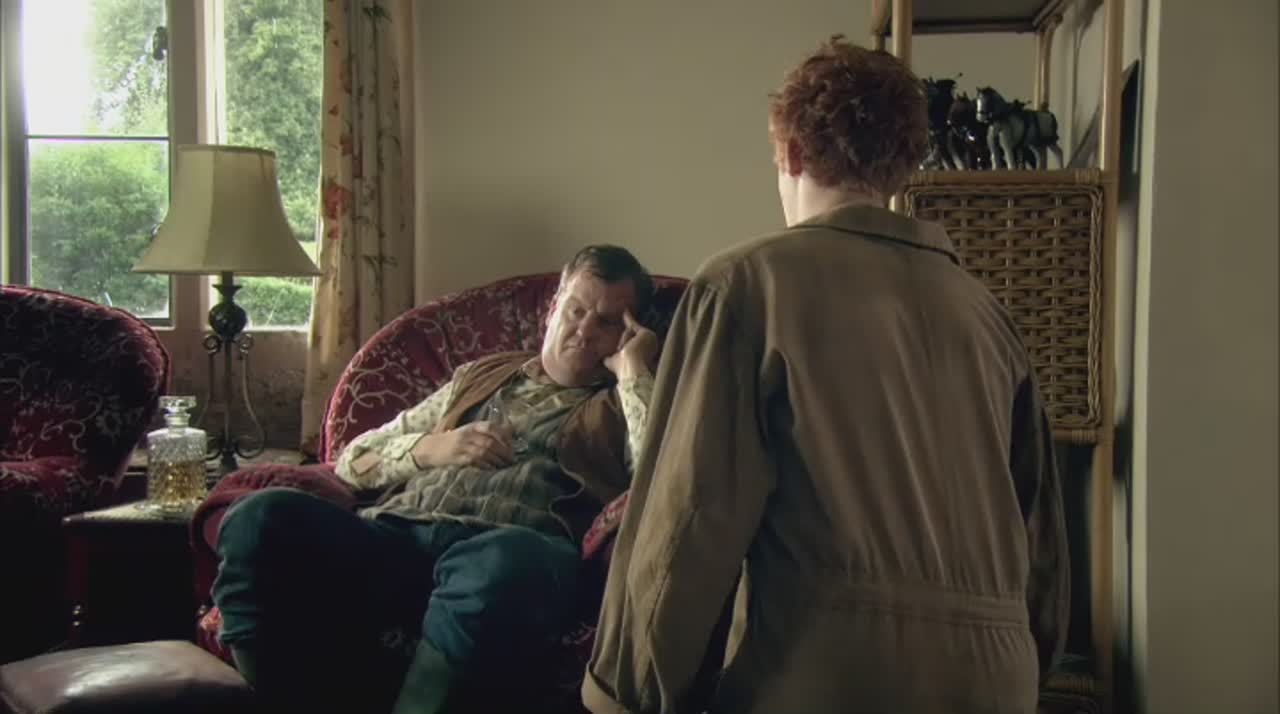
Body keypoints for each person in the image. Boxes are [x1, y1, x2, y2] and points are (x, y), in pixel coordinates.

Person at [583, 37, 1069, 714]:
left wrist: (622, 693)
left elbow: (691, 517)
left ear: (790, 153)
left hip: (829, 671)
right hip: (1000, 676)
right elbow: (1039, 529)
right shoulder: (987, 313)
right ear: (902, 166)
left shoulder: (747, 284)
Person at [212, 245, 659, 714]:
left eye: (607, 322)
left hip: (507, 553)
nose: (584, 330)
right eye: (577, 309)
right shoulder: (478, 376)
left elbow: (660, 478)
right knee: (257, 518)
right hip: (395, 536)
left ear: (627, 335)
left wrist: (634, 370)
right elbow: (352, 460)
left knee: (503, 562)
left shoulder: (622, 404)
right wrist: (431, 449)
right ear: (554, 307)